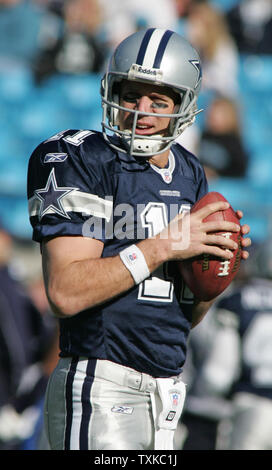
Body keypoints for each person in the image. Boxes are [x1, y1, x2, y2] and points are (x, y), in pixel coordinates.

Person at [27, 28, 251, 451]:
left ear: (183, 107)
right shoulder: (82, 157)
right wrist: (165, 245)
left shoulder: (190, 171)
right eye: (131, 96)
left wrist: (217, 270)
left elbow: (181, 316)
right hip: (101, 383)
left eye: (159, 101)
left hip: (166, 390)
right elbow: (65, 292)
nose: (141, 112)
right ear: (111, 92)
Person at [197, 96, 249, 181]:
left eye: (217, 114)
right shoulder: (204, 136)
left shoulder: (233, 142)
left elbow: (240, 170)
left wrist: (217, 175)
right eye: (210, 113)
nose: (212, 116)